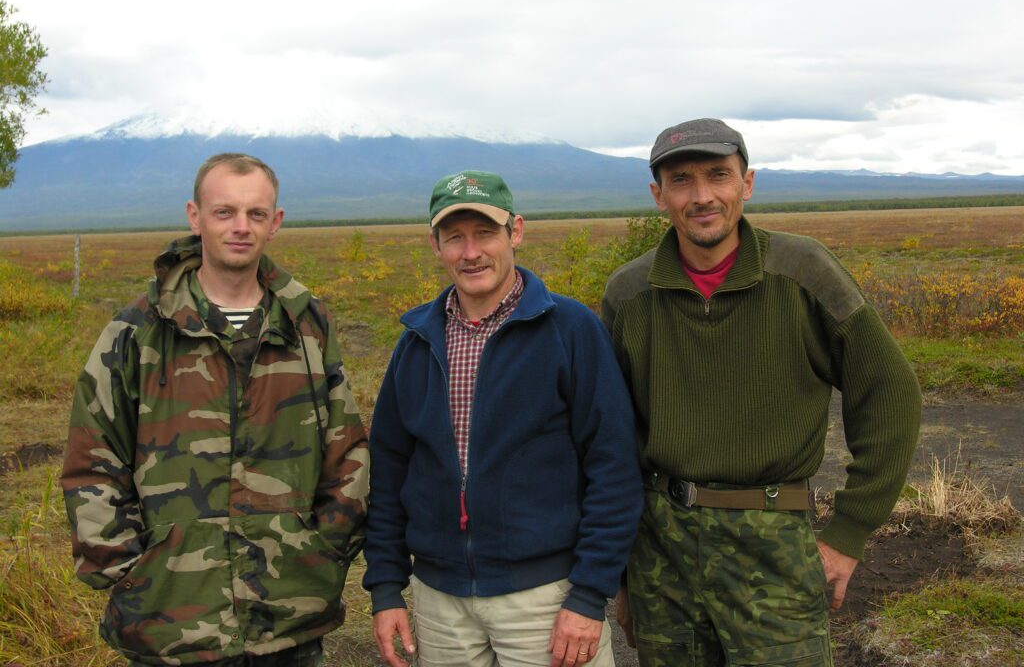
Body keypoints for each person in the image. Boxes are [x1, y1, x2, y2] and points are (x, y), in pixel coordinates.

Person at [601, 119, 922, 666]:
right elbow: (612, 440)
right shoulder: (629, 294)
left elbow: (891, 391)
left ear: (746, 183)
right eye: (681, 180)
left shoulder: (803, 273)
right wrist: (626, 575)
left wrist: (848, 532)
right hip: (660, 552)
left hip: (772, 543)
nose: (702, 196)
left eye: (718, 175)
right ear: (659, 195)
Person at [62, 153, 369, 666]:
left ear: (276, 222)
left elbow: (347, 451)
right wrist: (131, 571)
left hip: (289, 619)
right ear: (194, 215)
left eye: (255, 214)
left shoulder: (306, 325)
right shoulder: (139, 331)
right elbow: (92, 456)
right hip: (169, 623)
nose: (240, 228)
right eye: (224, 212)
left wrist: (323, 552)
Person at [363, 170, 642, 667]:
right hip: (439, 601)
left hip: (546, 599)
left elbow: (614, 469)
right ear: (436, 245)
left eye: (485, 233)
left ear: (516, 231)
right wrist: (386, 588)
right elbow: (389, 475)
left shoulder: (571, 331)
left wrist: (587, 594)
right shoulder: (417, 343)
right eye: (455, 238)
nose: (471, 253)